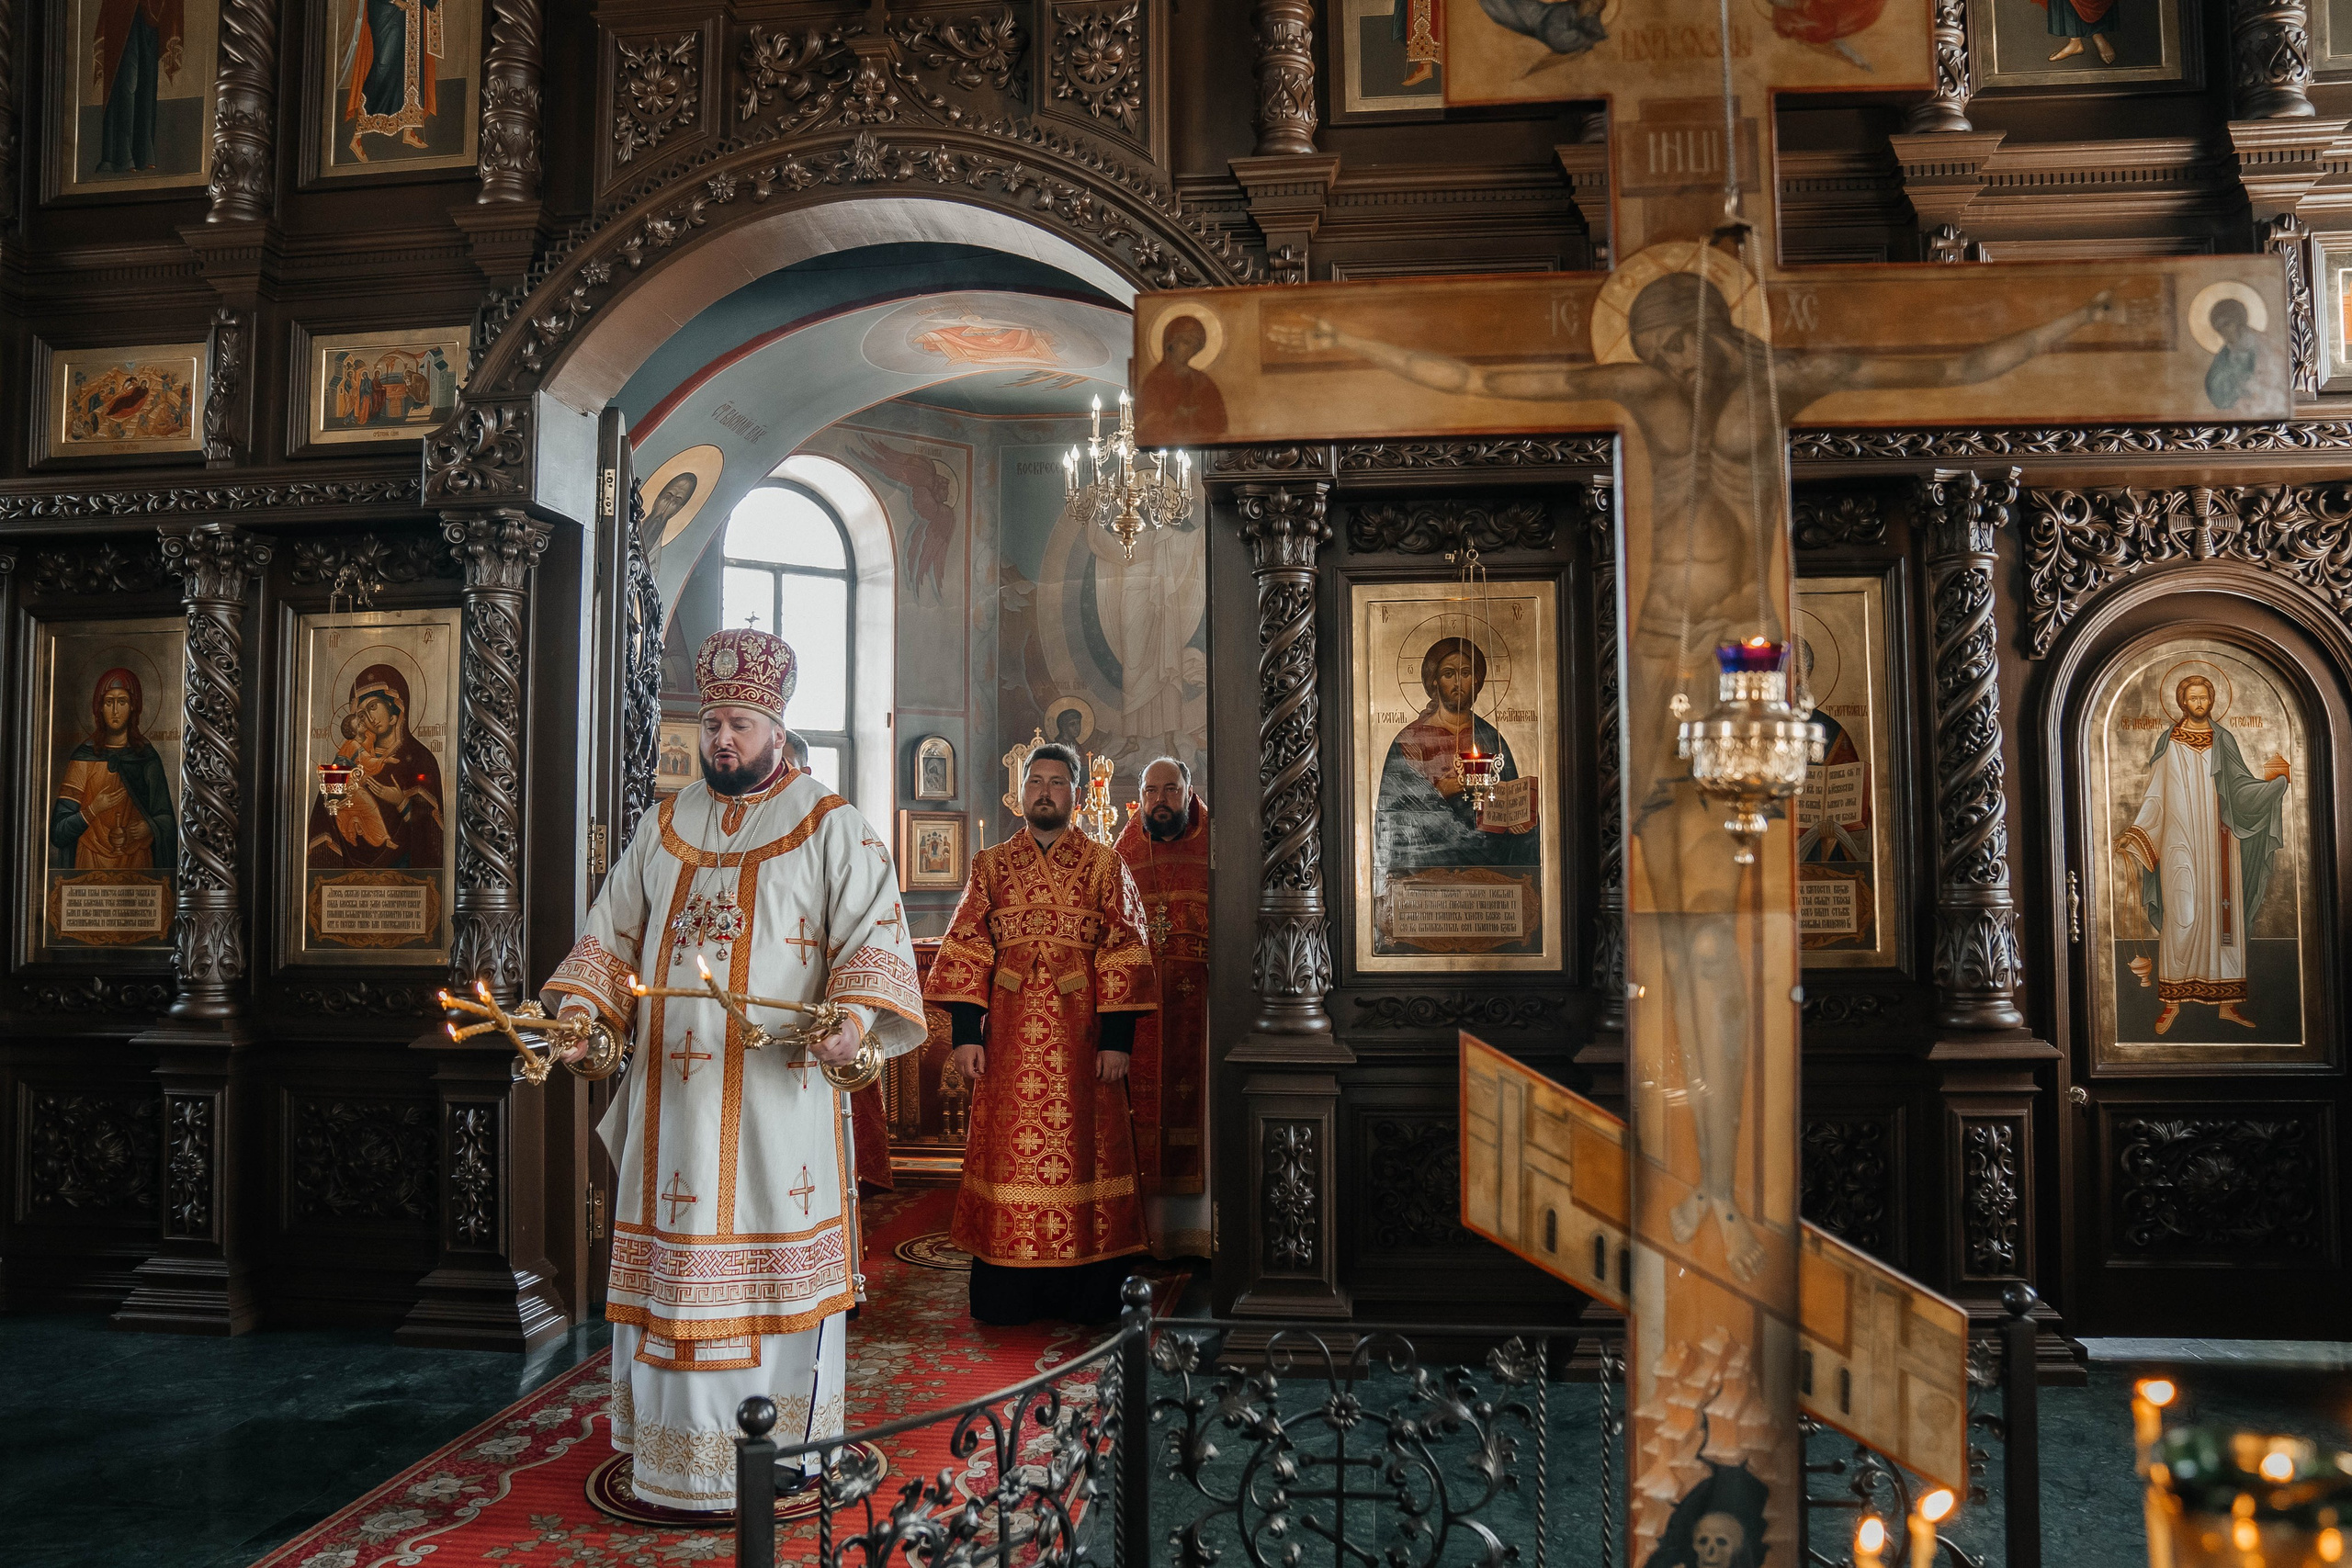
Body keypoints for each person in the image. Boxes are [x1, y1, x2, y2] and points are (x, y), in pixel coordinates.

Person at [544, 627, 925, 1511]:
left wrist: (854, 1019)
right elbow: (610, 931)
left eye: (741, 723)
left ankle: (787, 1447)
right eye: (712, 721)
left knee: (772, 1271)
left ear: (777, 727)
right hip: (673, 1104)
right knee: (677, 1267)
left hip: (776, 1109)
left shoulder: (832, 824)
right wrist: (581, 1008)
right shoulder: (664, 826)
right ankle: (675, 1458)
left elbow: (875, 934)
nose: (722, 739)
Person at [927, 742, 1159, 1323]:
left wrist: (1118, 1041)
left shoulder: (1106, 865)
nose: (1046, 792)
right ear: (1021, 793)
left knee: (1087, 1155)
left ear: (1075, 795)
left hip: (1083, 1041)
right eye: (1036, 782)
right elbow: (964, 950)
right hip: (1007, 1040)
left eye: (1058, 783)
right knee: (1009, 1158)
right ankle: (1008, 1293)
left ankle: (1089, 1292)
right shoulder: (990, 866)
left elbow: (1126, 950)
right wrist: (964, 1033)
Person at [2114, 672, 2291, 1034]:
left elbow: (2240, 789)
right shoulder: (2170, 742)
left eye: (2204, 698)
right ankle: (2172, 1001)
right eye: (2192, 698)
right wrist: (2138, 833)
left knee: (2223, 919)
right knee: (2182, 912)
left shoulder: (2223, 740)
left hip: (2219, 840)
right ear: (2182, 702)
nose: (2199, 704)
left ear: (2211, 702)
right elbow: (2156, 794)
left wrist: (2273, 786)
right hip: (2178, 840)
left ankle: (2227, 1004)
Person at [1113, 759, 1210, 1234]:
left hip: (1203, 1003)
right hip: (1143, 1000)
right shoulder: (1125, 851)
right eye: (1151, 791)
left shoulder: (1215, 844)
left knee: (1200, 1106)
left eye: (1171, 790)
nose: (1161, 800)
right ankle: (1148, 1231)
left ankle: (1197, 1230)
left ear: (1189, 791)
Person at [1373, 636, 1538, 874]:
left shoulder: (1491, 737)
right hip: (1432, 845)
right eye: (1448, 674)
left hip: (1488, 843)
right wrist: (1446, 788)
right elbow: (1397, 808)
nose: (1458, 682)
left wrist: (1519, 815)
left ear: (1477, 681)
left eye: (1466, 673)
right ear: (1434, 683)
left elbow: (1508, 794)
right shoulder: (1411, 738)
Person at [308, 664, 444, 872]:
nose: (368, 718)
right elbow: (323, 823)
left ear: (395, 707)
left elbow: (432, 835)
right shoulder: (349, 758)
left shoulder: (419, 759)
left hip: (403, 876)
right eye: (361, 714)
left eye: (373, 707)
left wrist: (401, 803)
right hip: (349, 876)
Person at [51, 667, 175, 872]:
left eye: (122, 702)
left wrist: (148, 827)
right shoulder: (84, 759)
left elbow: (168, 821)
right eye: (109, 702)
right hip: (89, 864)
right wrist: (93, 810)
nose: (115, 711)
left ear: (134, 707)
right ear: (99, 707)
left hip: (137, 863)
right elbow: (59, 832)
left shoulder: (146, 758)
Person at [92, 0, 186, 176]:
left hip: (151, 10)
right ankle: (120, 157)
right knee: (126, 83)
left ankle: (143, 154)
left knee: (146, 82)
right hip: (123, 11)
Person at [341, 0, 442, 161]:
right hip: (385, 11)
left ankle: (408, 130)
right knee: (383, 68)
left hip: (410, 14)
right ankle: (357, 137)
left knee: (409, 68)